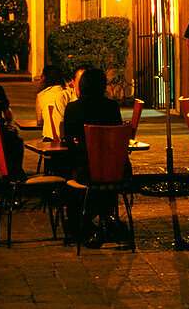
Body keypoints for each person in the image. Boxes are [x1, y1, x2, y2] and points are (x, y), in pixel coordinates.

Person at [61, 67, 127, 245]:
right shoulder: (112, 107)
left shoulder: (73, 108)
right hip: (116, 172)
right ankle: (108, 218)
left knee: (69, 174)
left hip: (87, 173)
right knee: (103, 181)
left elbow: (68, 141)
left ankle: (79, 224)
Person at [36, 65, 70, 142]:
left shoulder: (42, 95)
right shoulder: (68, 93)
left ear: (44, 78)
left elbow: (40, 121)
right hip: (67, 139)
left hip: (49, 139)